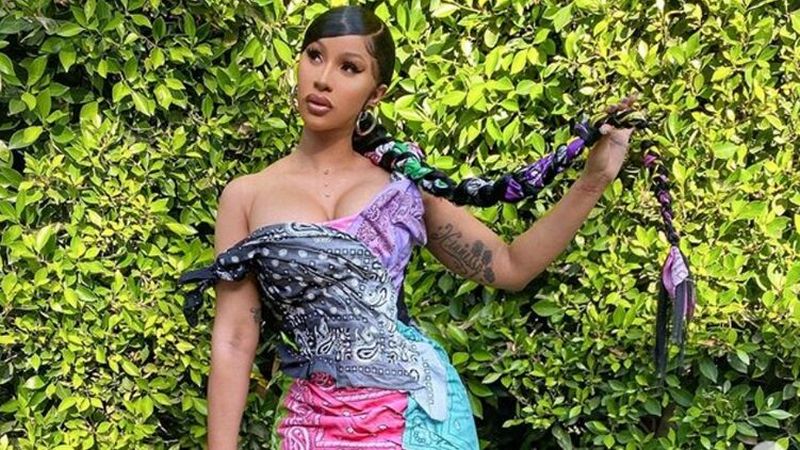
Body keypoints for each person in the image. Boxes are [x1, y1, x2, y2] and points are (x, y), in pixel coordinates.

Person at [177, 5, 634, 450]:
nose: (323, 78)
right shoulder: (246, 196)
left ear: (376, 93)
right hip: (315, 423)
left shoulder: (403, 189)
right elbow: (235, 339)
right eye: (314, 56)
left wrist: (593, 181)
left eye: (349, 68)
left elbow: (511, 266)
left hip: (419, 419)